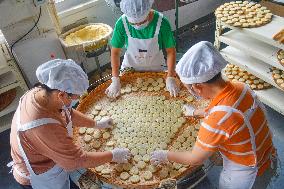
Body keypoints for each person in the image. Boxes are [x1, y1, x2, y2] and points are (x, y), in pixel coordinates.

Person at [150, 41, 276, 189]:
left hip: (245, 176)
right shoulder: (240, 87)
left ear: (197, 87)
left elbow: (196, 158)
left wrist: (166, 155)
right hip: (266, 155)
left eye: (190, 89)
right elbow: (231, 112)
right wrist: (196, 112)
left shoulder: (216, 120)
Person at [8, 59, 131, 189]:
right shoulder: (45, 128)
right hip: (41, 175)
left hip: (51, 156)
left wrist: (96, 124)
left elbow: (68, 113)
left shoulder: (42, 93)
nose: (77, 100)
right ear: (61, 95)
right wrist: (112, 155)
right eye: (75, 98)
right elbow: (77, 161)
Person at [106, 0, 180, 98]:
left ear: (148, 11)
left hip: (156, 67)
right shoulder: (121, 23)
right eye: (133, 23)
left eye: (142, 22)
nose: (137, 26)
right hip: (130, 68)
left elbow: (171, 51)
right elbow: (115, 52)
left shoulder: (161, 23)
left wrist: (170, 76)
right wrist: (115, 79)